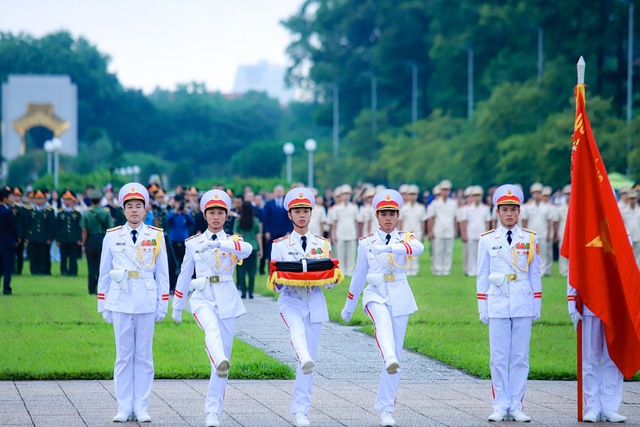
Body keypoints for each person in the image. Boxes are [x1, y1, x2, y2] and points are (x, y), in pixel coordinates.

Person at [340, 189, 424, 427]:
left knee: (397, 355)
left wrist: (390, 249)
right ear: (377, 215)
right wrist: (349, 305)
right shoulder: (366, 243)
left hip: (399, 296)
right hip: (375, 294)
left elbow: (418, 249)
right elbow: (358, 275)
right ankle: (387, 356)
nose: (388, 218)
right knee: (383, 327)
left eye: (392, 214)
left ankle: (386, 409)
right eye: (384, 214)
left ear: (398, 215)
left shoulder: (406, 238)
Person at [171, 189, 252, 427]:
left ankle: (213, 412)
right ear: (204, 215)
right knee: (212, 332)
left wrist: (223, 245)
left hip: (227, 299)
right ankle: (217, 358)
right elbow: (184, 275)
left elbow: (247, 250)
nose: (216, 217)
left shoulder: (234, 241)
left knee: (221, 362)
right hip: (202, 297)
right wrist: (177, 306)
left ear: (227, 215)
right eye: (211, 212)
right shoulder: (194, 243)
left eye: (220, 212)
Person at [97, 182, 169, 423]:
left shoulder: (156, 236)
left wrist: (163, 303)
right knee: (123, 355)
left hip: (147, 300)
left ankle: (141, 406)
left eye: (139, 206)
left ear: (146, 209)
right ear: (123, 209)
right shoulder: (112, 236)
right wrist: (103, 303)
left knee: (144, 356)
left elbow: (163, 273)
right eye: (130, 206)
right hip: (120, 300)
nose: (135, 210)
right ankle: (123, 406)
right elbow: (104, 272)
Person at [270, 187, 338, 427]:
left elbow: (329, 283)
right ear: (289, 214)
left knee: (308, 364)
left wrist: (331, 278)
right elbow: (277, 284)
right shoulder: (279, 245)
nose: (301, 215)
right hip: (291, 300)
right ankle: (303, 353)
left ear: (311, 213)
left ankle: (301, 411)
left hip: (314, 302)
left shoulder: (322, 244)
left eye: (305, 211)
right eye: (297, 211)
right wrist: (280, 278)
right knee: (297, 334)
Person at [476, 184, 542, 423]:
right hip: (498, 301)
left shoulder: (530, 238)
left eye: (513, 209)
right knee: (498, 356)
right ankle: (500, 404)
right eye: (505, 209)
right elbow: (482, 275)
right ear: (497, 211)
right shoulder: (487, 240)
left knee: (520, 356)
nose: (509, 214)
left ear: (519, 210)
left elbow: (535, 273)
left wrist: (537, 303)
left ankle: (516, 404)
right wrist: (482, 305)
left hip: (523, 299)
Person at [567, 280, 627, 423]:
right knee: (589, 358)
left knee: (613, 357)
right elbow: (574, 267)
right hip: (588, 302)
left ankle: (610, 407)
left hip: (614, 301)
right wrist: (572, 301)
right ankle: (592, 406)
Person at [81, 189, 113, 294]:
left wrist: (83, 244)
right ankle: (102, 289)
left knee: (91, 265)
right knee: (102, 266)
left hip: (90, 240)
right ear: (100, 200)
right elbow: (110, 229)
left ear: (90, 200)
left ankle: (91, 289)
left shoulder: (86, 213)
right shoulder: (106, 212)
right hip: (102, 240)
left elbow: (84, 230)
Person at [426, 180, 458, 276]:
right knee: (438, 251)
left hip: (449, 229)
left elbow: (455, 218)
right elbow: (431, 218)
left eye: (447, 190)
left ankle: (446, 270)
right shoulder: (435, 203)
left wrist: (456, 230)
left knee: (448, 251)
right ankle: (438, 270)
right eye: (443, 190)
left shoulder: (453, 203)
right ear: (440, 191)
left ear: (449, 191)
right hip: (438, 229)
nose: (445, 192)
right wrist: (430, 231)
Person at [233, 201, 262, 299]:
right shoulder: (255, 221)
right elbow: (258, 235)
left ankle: (243, 292)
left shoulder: (238, 221)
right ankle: (251, 292)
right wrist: (260, 249)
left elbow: (235, 234)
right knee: (252, 271)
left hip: (241, 248)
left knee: (241, 271)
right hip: (253, 247)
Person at [328, 184, 359, 275]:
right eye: (344, 195)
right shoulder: (336, 208)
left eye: (347, 195)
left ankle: (350, 271)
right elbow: (334, 223)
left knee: (351, 253)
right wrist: (333, 234)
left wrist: (357, 234)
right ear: (341, 196)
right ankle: (341, 270)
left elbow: (356, 221)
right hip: (340, 233)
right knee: (340, 254)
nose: (346, 197)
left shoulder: (354, 207)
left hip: (351, 232)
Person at [166, 197, 195, 292]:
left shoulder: (185, 214)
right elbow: (167, 221)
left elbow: (192, 223)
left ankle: (184, 287)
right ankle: (172, 286)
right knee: (172, 264)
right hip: (173, 241)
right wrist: (175, 212)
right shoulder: (172, 213)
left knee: (185, 265)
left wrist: (187, 213)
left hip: (184, 241)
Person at [24, 189, 55, 275]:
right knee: (33, 254)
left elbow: (51, 225)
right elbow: (27, 224)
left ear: (45, 199)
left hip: (44, 237)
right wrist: (26, 236)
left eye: (41, 198)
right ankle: (34, 270)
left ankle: (44, 270)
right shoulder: (30, 210)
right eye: (37, 198)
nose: (39, 200)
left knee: (44, 255)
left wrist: (50, 237)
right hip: (33, 236)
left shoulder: (49, 210)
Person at [398, 184, 427, 276]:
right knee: (406, 252)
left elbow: (422, 222)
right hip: (405, 233)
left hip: (417, 232)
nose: (412, 197)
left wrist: (422, 234)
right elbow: (400, 222)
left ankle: (414, 270)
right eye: (410, 194)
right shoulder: (403, 208)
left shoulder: (421, 208)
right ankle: (407, 269)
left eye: (414, 195)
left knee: (415, 252)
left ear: (417, 196)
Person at [262, 185, 292, 272]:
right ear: (274, 192)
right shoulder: (269, 204)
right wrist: (266, 231)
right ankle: (271, 271)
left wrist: (289, 230)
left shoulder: (287, 205)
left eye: (280, 191)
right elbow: (265, 219)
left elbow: (290, 218)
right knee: (271, 252)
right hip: (272, 233)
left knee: (284, 252)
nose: (279, 193)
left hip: (284, 232)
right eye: (277, 191)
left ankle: (284, 271)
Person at [55, 190, 82, 276]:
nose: (67, 202)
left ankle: (73, 271)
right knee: (63, 257)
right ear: (63, 201)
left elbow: (79, 227)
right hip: (63, 239)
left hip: (73, 239)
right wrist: (57, 239)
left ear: (72, 201)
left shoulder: (77, 213)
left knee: (73, 257)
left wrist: (79, 239)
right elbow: (57, 227)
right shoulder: (60, 213)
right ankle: (63, 271)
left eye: (69, 200)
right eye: (66, 200)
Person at [0, 188, 19, 295]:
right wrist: (17, 239)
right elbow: (13, 228)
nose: (12, 198)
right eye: (10, 196)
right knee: (8, 267)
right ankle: (6, 288)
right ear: (4, 198)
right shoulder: (7, 212)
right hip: (8, 243)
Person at [9, 187, 26, 275]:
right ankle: (11, 269)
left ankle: (19, 270)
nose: (16, 198)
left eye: (18, 196)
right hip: (10, 235)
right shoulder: (9, 207)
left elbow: (22, 224)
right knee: (10, 254)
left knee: (19, 254)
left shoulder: (22, 208)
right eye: (14, 196)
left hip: (19, 234)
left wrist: (20, 235)